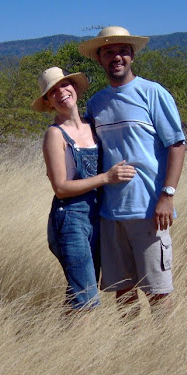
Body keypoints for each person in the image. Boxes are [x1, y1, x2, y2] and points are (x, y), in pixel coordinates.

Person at [78, 27, 186, 316]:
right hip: (110, 214)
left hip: (149, 210)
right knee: (124, 296)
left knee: (158, 293)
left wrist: (167, 195)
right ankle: (132, 354)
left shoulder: (153, 93)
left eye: (123, 51)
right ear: (100, 59)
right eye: (109, 52)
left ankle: (166, 353)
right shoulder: (96, 103)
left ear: (132, 56)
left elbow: (176, 144)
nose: (117, 57)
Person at [32, 67, 136, 310]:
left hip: (98, 217)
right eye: (53, 92)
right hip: (70, 218)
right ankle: (79, 346)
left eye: (64, 85)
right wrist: (106, 178)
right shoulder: (55, 135)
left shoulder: (93, 124)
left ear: (74, 87)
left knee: (78, 292)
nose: (61, 93)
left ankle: (60, 342)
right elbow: (61, 188)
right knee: (86, 297)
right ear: (48, 102)